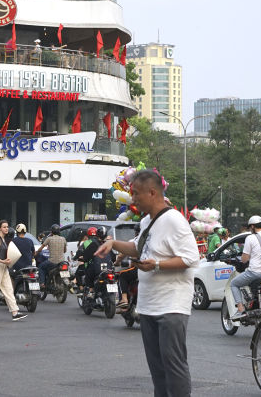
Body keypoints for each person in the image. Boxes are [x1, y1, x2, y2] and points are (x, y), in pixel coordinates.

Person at [95, 169, 200, 397]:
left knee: (174, 367)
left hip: (171, 306)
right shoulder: (147, 221)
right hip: (149, 305)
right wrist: (113, 244)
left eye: (136, 194)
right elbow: (137, 247)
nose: (133, 199)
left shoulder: (174, 220)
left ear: (152, 192)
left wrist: (157, 265)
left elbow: (192, 258)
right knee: (157, 370)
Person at [0, 220, 27, 322]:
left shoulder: (3, 239)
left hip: (4, 267)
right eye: (4, 227)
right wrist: (2, 261)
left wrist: (6, 261)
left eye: (7, 227)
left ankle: (15, 312)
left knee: (9, 289)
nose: (6, 228)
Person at [230, 215, 261, 319]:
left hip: (255, 272)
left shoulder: (250, 238)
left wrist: (245, 258)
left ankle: (241, 310)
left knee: (234, 284)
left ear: (252, 226)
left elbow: (244, 259)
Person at [36, 224, 67, 290]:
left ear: (51, 232)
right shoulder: (63, 239)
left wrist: (36, 252)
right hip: (62, 262)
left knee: (41, 267)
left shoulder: (49, 239)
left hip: (52, 262)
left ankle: (42, 283)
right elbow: (64, 251)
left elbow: (40, 249)